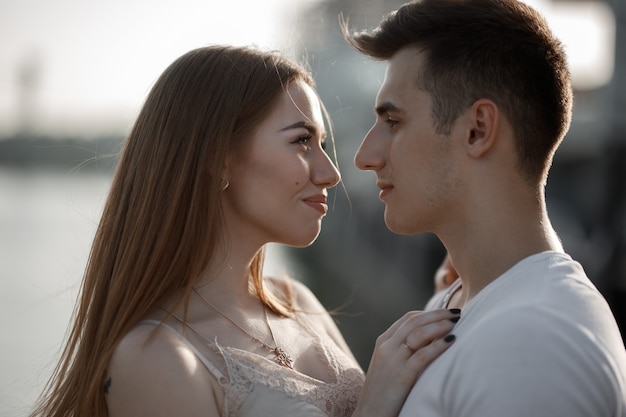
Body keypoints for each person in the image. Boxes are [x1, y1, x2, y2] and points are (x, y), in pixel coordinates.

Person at [29, 45, 461, 417]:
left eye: (323, 145)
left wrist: (461, 294)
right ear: (218, 157)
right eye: (300, 142)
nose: (330, 173)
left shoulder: (300, 304)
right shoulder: (156, 358)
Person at [341, 0, 626, 416]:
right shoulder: (464, 303)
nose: (365, 156)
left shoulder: (534, 342)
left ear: (477, 131)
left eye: (394, 122)